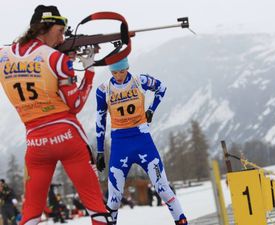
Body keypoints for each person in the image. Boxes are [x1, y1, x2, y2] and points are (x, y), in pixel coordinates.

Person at [0, 5, 112, 225]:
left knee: (30, 213)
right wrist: (88, 69)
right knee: (96, 207)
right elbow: (76, 103)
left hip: (35, 142)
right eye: (60, 31)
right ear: (45, 28)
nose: (62, 38)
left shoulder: (3, 55)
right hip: (68, 137)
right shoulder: (57, 59)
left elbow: (29, 61)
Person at [95, 57, 188, 225]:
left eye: (122, 71)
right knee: (114, 199)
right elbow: (99, 120)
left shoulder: (140, 81)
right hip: (120, 145)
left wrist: (151, 109)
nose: (119, 76)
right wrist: (100, 151)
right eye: (114, 72)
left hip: (143, 141)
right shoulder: (103, 90)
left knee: (163, 189)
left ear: (127, 67)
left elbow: (162, 88)